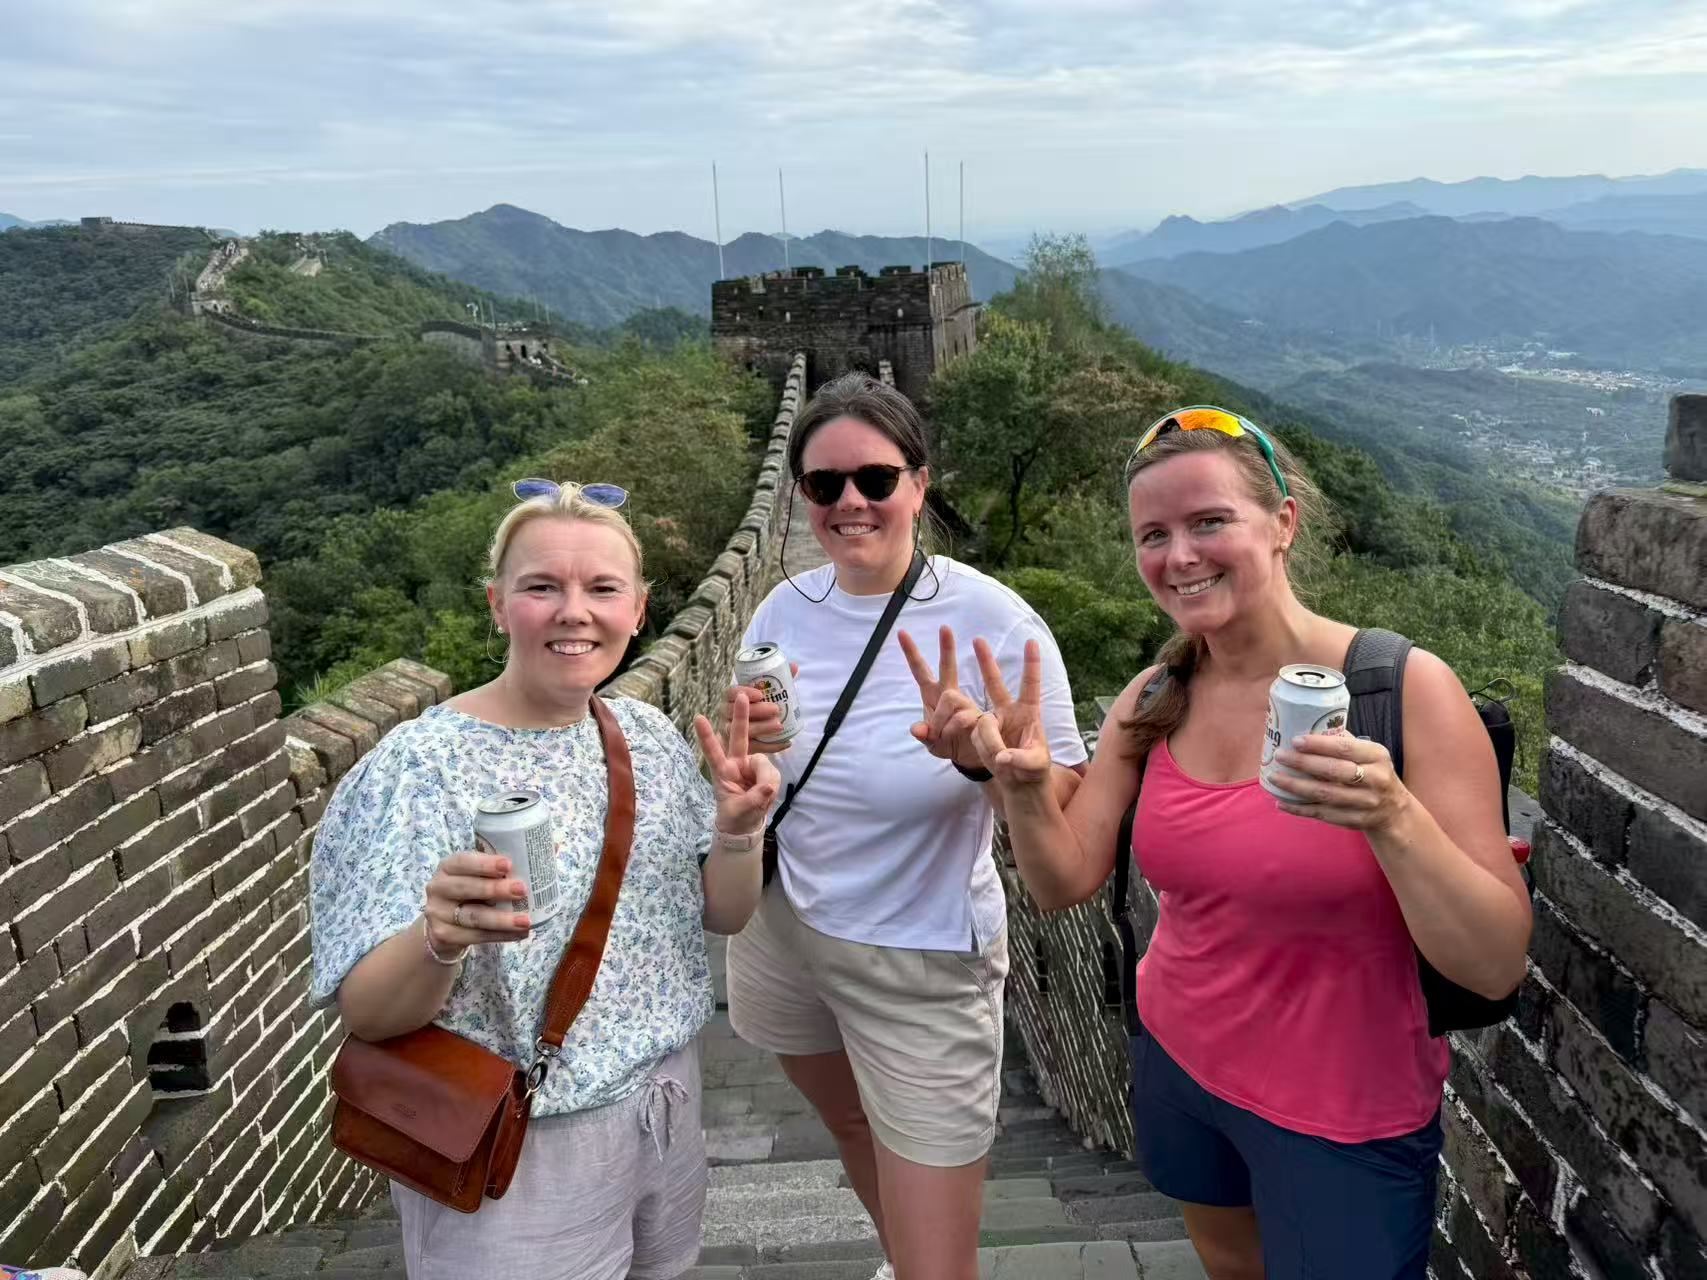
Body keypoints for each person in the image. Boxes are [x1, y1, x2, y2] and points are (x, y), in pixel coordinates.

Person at [922, 406, 1533, 1280]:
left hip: (1342, 1107)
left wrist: (1391, 817)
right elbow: (1062, 881)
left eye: (1209, 521)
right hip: (1178, 1061)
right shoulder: (1153, 696)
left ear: (1282, 523)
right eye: (1152, 535)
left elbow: (1494, 964)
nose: (1179, 556)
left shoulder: (1401, 690)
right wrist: (1013, 784)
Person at [309, 479, 779, 1280]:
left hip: (664, 1103)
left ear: (639, 609)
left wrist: (739, 831)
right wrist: (439, 939)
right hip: (515, 1141)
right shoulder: (417, 768)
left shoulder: (645, 736)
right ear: (497, 605)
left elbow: (724, 915)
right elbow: (371, 1012)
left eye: (602, 588)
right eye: (541, 587)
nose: (574, 612)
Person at [723, 373, 1088, 1280]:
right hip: (783, 926)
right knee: (850, 1123)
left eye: (876, 479)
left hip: (917, 958)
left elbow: (1063, 806)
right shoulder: (781, 609)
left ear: (919, 486)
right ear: (800, 497)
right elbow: (767, 760)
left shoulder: (992, 620)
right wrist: (743, 767)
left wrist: (985, 765)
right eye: (824, 484)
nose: (850, 501)